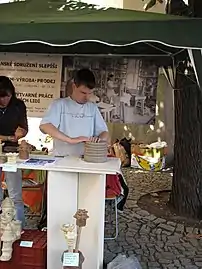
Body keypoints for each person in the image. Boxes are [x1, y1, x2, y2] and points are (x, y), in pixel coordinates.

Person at [40, 69, 109, 157]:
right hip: (62, 160)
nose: (87, 97)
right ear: (74, 86)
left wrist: (98, 140)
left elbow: (104, 132)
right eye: (83, 92)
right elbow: (45, 126)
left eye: (90, 93)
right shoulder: (59, 104)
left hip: (86, 160)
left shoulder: (92, 108)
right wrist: (71, 140)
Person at [0, 76, 28, 226]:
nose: (4, 100)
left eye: (7, 97)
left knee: (15, 195)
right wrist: (10, 137)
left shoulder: (18, 105)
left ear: (12, 94)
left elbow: (24, 127)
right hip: (4, 148)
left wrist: (21, 132)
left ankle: (19, 227)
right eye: (1, 97)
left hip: (12, 153)